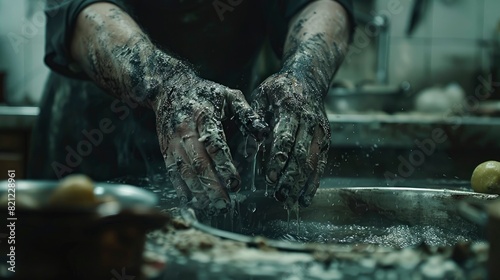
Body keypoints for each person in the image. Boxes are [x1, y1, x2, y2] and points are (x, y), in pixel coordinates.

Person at [29, 0, 354, 214]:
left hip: (216, 138)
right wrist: (167, 85)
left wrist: (303, 78)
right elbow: (83, 13)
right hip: (95, 142)